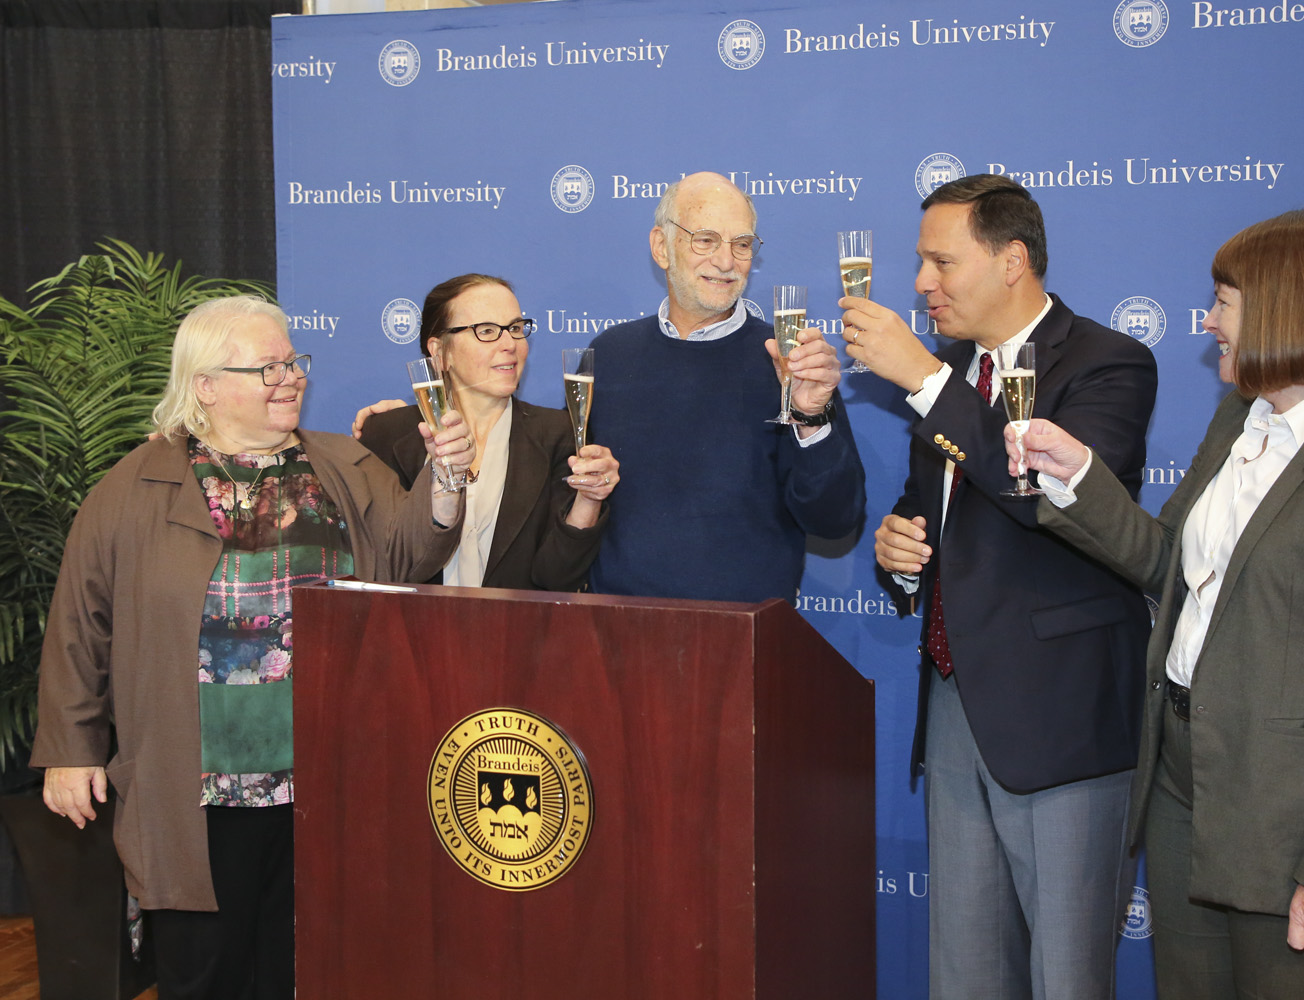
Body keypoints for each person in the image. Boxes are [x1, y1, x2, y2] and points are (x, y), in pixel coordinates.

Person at [1009, 209, 1304, 998]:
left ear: (1289, 307)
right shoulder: (1242, 417)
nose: (1207, 321)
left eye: (1223, 301)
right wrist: (1077, 474)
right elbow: (1170, 564)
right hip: (1189, 792)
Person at [31, 296, 473, 1000]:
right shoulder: (133, 488)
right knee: (207, 972)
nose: (288, 378)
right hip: (199, 782)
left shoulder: (345, 465)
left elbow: (411, 551)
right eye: (264, 368)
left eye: (291, 362)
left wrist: (446, 477)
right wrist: (72, 749)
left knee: (307, 967)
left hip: (328, 773)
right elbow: (81, 621)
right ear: (205, 385)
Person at [844, 173, 1158, 998]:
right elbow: (937, 513)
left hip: (1061, 721)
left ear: (1013, 260)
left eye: (940, 262)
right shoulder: (949, 376)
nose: (921, 285)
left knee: (1067, 977)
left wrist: (923, 382)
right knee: (966, 975)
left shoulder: (1109, 364)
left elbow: (1037, 500)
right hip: (954, 708)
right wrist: (900, 554)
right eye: (921, 263)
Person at [583, 171, 864, 602]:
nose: (726, 261)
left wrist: (810, 417)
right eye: (706, 239)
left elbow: (835, 519)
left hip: (745, 639)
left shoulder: (790, 360)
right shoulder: (608, 355)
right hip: (619, 631)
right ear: (662, 246)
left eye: (742, 244)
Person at [359, 273, 617, 590]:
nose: (510, 344)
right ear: (440, 352)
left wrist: (589, 499)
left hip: (514, 633)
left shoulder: (557, 434)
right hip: (410, 634)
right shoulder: (387, 433)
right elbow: (375, 564)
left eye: (515, 328)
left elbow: (556, 578)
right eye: (487, 331)